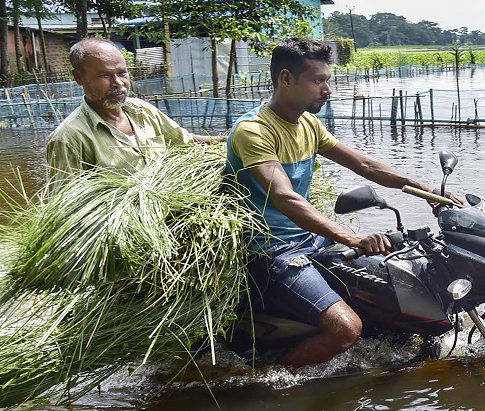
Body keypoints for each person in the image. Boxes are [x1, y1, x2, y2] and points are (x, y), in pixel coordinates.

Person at [226, 38, 454, 368]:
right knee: (345, 330)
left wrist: (429, 192)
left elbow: (366, 165)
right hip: (272, 250)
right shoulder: (254, 131)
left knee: (394, 284)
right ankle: (265, 383)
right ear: (286, 79)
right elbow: (285, 197)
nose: (328, 89)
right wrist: (352, 238)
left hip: (309, 238)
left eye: (328, 80)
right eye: (318, 80)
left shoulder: (307, 123)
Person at [45, 38, 223, 189]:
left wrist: (226, 140)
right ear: (78, 78)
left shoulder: (143, 111)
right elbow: (66, 205)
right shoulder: (69, 138)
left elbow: (185, 141)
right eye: (105, 76)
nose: (118, 83)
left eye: (122, 73)